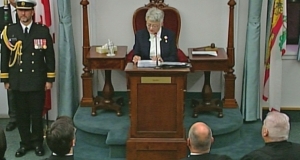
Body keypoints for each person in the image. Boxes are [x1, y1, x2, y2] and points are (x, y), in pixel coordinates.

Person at [0, 0, 55, 157]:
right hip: (17, 81)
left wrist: (49, 79)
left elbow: (49, 57)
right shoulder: (9, 31)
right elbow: (4, 56)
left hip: (37, 80)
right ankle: (25, 143)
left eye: (26, 11)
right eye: (20, 11)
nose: (23, 14)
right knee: (22, 116)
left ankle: (37, 143)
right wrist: (5, 78)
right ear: (17, 12)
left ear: (32, 12)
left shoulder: (42, 31)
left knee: (36, 114)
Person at [0, 0, 18, 132]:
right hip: (10, 57)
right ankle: (13, 118)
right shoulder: (2, 12)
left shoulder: (27, 9)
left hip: (28, 56)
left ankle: (28, 117)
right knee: (11, 89)